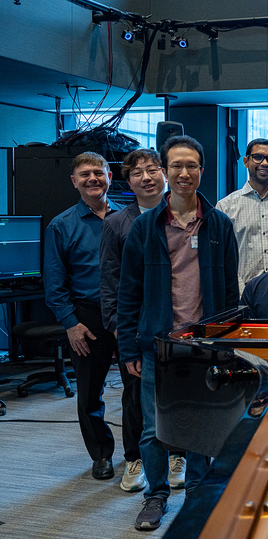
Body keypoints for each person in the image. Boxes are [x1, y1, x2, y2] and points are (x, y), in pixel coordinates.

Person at [118, 135, 239, 530]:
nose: (184, 173)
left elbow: (231, 292)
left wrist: (228, 343)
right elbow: (128, 292)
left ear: (202, 170)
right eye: (176, 166)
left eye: (192, 166)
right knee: (155, 428)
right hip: (158, 345)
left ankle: (197, 496)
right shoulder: (144, 227)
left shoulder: (219, 224)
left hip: (205, 345)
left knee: (203, 425)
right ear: (165, 171)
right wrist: (128, 348)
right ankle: (156, 497)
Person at [44, 152, 123, 481]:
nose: (93, 179)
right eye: (85, 174)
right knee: (91, 392)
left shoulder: (129, 218)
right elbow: (54, 281)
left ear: (109, 177)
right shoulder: (61, 226)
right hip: (87, 319)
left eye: (99, 173)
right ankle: (102, 455)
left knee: (139, 390)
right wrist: (71, 324)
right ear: (74, 181)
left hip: (129, 316)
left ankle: (140, 452)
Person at [100, 149, 163, 493]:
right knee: (134, 395)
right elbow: (109, 281)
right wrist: (118, 329)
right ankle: (135, 457)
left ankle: (176, 453)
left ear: (164, 174)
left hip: (175, 324)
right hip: (134, 327)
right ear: (128, 181)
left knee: (176, 393)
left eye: (153, 170)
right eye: (138, 173)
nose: (147, 177)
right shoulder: (116, 224)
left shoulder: (181, 217)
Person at [217, 138, 268, 292]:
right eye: (258, 157)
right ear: (246, 161)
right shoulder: (225, 207)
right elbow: (222, 257)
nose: (264, 163)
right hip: (242, 293)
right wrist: (242, 292)